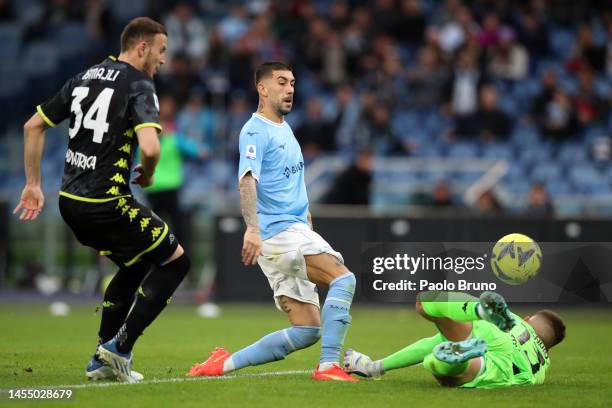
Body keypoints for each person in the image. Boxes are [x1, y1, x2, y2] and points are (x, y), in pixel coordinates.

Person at [13, 17, 190, 383]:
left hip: (69, 201)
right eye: (161, 51)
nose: (162, 60)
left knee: (135, 265)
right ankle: (118, 348)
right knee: (175, 263)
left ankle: (101, 359)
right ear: (142, 48)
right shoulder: (140, 83)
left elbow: (33, 125)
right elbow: (152, 147)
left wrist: (33, 184)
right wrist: (151, 170)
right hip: (106, 203)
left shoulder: (86, 76)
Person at [188, 61, 357, 381]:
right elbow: (246, 180)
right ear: (262, 88)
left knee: (307, 330)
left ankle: (223, 364)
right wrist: (252, 229)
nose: (290, 88)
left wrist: (305, 211)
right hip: (279, 232)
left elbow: (287, 175)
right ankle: (329, 366)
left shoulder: (284, 127)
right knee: (344, 279)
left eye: (292, 82)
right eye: (281, 82)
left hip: (289, 230)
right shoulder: (255, 130)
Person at [344, 291, 566, 388]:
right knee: (451, 371)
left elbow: (427, 343)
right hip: (512, 369)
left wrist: (377, 366)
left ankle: (476, 309)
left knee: (425, 301)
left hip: (495, 336)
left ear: (529, 319)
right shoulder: (543, 365)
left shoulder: (516, 322)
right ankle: (455, 358)